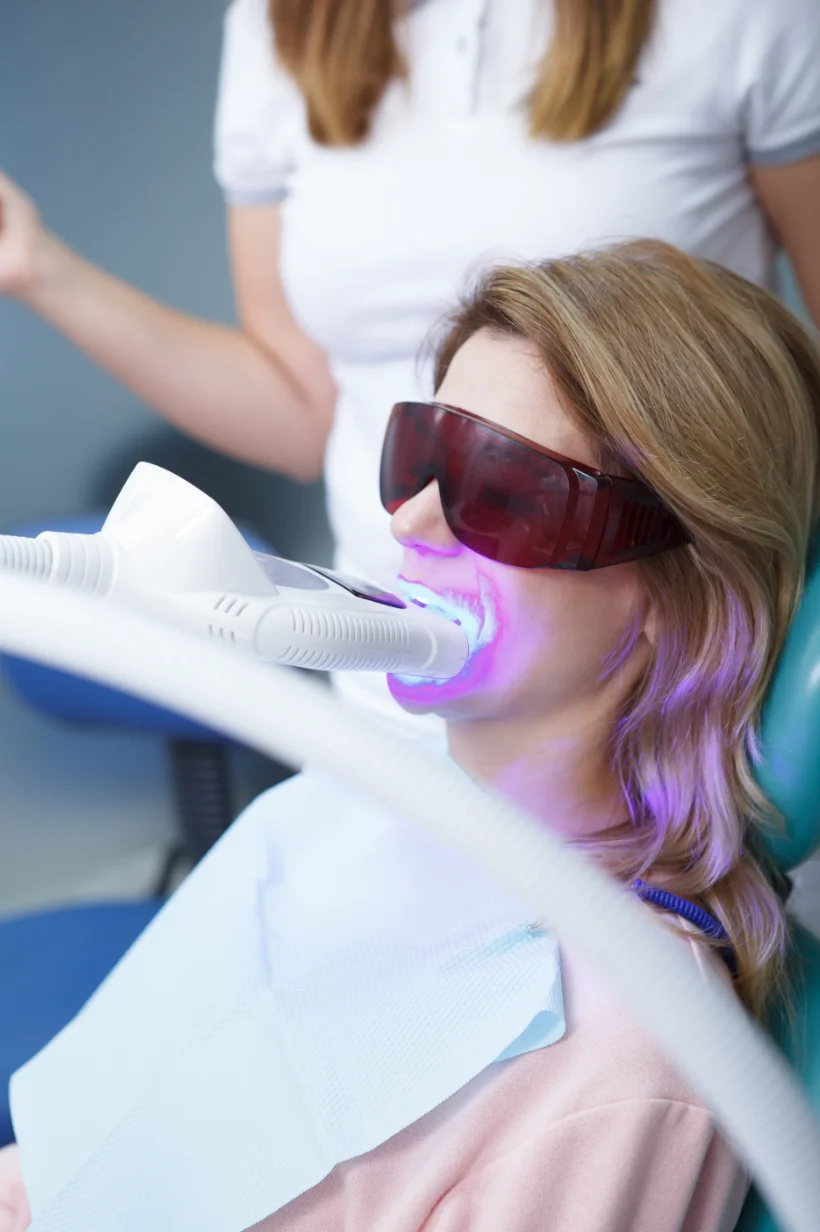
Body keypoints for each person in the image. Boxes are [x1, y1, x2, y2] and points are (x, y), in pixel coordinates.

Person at [1, 238, 819, 1230]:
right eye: (419, 456)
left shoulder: (631, 1048)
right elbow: (59, 1163)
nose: (412, 521)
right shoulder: (356, 792)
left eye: (502, 486)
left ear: (675, 592)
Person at [0, 0, 819, 730]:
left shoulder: (741, 18)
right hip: (388, 690)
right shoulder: (282, 25)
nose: (410, 519)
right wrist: (37, 265)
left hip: (669, 706)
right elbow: (298, 407)